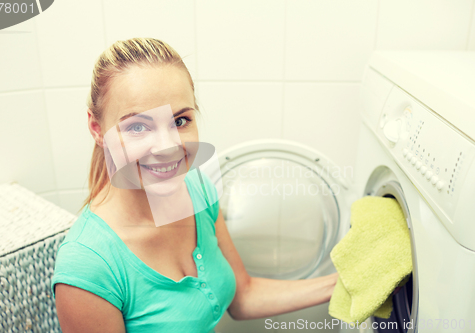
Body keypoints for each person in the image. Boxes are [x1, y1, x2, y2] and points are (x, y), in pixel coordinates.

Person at [51, 37, 339, 333]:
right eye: (138, 126)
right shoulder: (88, 267)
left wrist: (347, 283)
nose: (168, 147)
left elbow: (243, 296)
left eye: (179, 121)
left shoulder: (197, 188)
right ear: (97, 129)